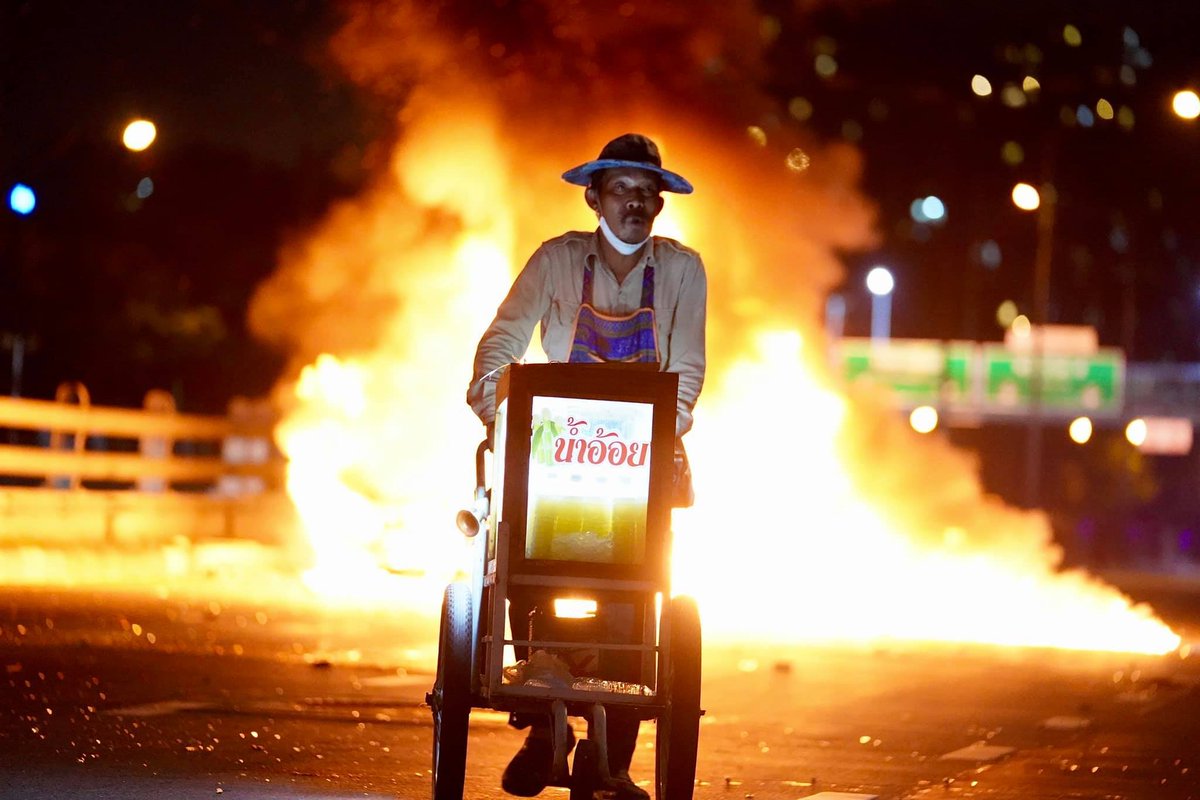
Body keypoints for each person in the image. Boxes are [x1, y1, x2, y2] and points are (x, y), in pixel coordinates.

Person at [466, 133, 707, 800]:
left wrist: (660, 427)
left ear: (660, 205)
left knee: (635, 591)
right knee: (524, 554)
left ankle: (613, 762)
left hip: (639, 458)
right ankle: (549, 724)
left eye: (647, 192)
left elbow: (686, 370)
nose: (637, 202)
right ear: (594, 197)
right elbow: (503, 341)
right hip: (554, 455)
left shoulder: (684, 270)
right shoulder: (556, 260)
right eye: (623, 189)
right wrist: (498, 407)